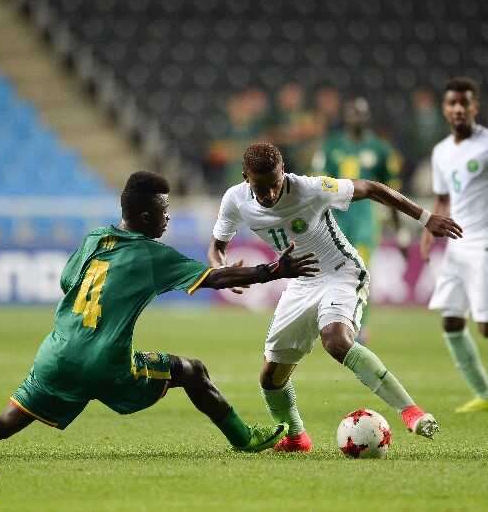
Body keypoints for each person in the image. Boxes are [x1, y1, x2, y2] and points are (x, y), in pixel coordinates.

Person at [0, 171, 319, 458]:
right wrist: (272, 270)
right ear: (143, 215)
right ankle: (244, 439)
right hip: (107, 364)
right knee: (193, 370)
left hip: (56, 356)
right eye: (163, 210)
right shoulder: (152, 254)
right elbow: (216, 280)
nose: (167, 218)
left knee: (5, 426)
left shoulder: (94, 239)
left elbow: (68, 284)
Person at [208, 141, 462, 452]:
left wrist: (425, 217)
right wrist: (223, 271)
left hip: (340, 272)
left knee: (336, 340)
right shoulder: (234, 200)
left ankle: (411, 412)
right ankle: (296, 438)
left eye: (274, 185)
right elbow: (217, 246)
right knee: (270, 378)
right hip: (300, 284)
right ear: (246, 177)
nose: (270, 194)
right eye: (261, 188)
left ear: (283, 171)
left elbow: (370, 188)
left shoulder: (311, 189)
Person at [420, 77, 488, 414]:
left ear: (475, 107)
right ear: (445, 109)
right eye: (452, 103)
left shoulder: (487, 145)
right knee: (451, 321)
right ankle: (485, 395)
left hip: (484, 244)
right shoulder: (441, 152)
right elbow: (443, 197)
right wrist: (429, 229)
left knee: (485, 326)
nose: (459, 108)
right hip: (458, 246)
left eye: (465, 103)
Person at [312, 97, 403, 343]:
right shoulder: (331, 147)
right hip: (336, 220)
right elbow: (317, 188)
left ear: (367, 117)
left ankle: (360, 326)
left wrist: (400, 232)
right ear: (345, 116)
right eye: (352, 112)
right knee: (331, 271)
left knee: (360, 271)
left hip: (365, 220)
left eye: (361, 113)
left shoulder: (381, 150)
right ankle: (330, 320)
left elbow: (392, 193)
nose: (357, 117)